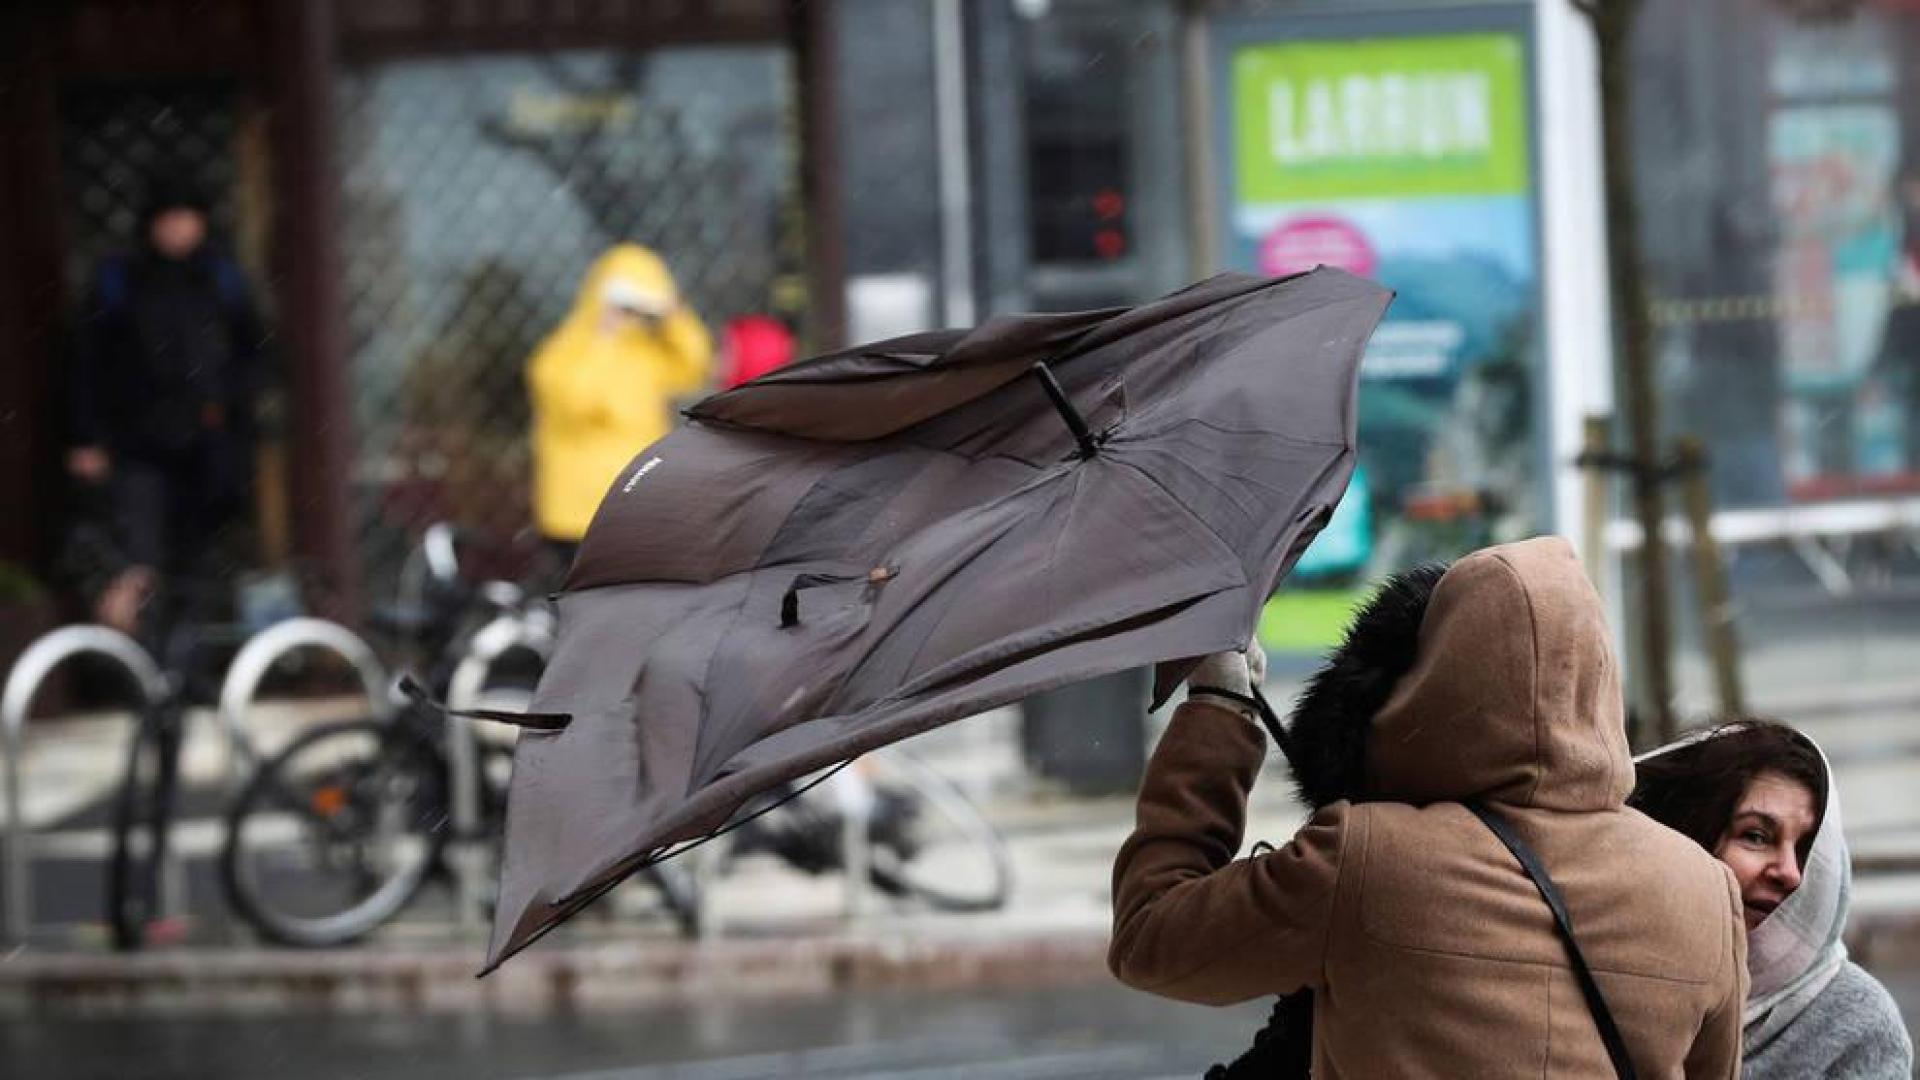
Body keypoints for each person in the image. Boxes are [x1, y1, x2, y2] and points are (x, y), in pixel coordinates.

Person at [1110, 536, 1748, 1076]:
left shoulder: (1368, 858)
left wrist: (1221, 709)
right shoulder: (1704, 892)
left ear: (1436, 679)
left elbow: (1153, 940)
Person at [1632, 720, 1913, 1078]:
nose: (1790, 873)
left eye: (1807, 851)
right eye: (1756, 836)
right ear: (1690, 837)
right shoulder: (1611, 973)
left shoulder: (1856, 1023)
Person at [66, 177, 265, 639]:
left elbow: (256, 353)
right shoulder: (120, 279)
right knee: (141, 562)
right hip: (136, 445)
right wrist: (85, 437)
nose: (177, 228)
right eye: (168, 217)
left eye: (186, 216)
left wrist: (232, 414)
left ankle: (189, 669)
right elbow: (84, 362)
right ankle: (149, 674)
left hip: (208, 446)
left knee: (199, 565)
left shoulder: (222, 278)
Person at [526, 244, 711, 568]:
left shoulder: (643, 353)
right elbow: (573, 402)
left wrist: (673, 314)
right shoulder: (563, 351)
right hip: (577, 515)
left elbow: (693, 365)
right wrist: (602, 338)